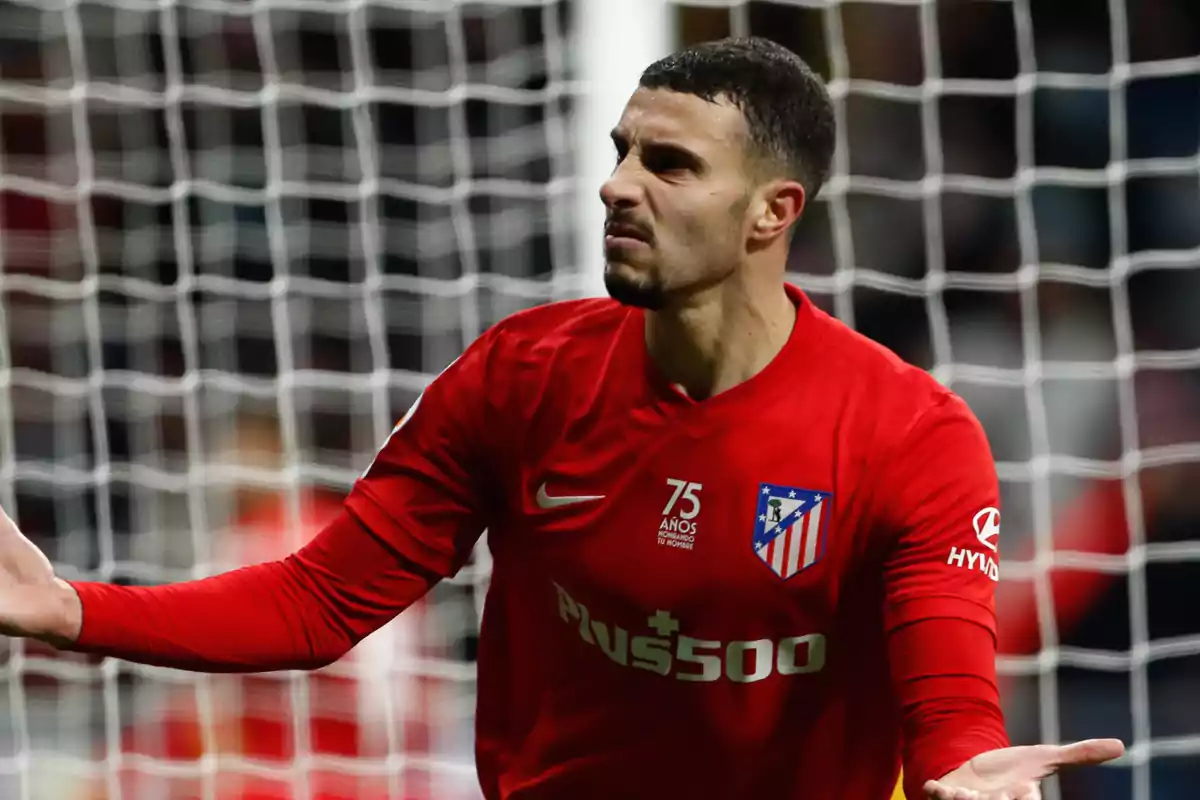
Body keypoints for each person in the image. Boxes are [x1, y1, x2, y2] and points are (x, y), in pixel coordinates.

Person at [0, 37, 1122, 800]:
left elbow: (952, 699)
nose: (618, 185)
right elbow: (321, 598)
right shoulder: (521, 378)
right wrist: (71, 609)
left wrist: (979, 772)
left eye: (670, 164)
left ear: (773, 212)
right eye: (623, 152)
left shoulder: (907, 435)